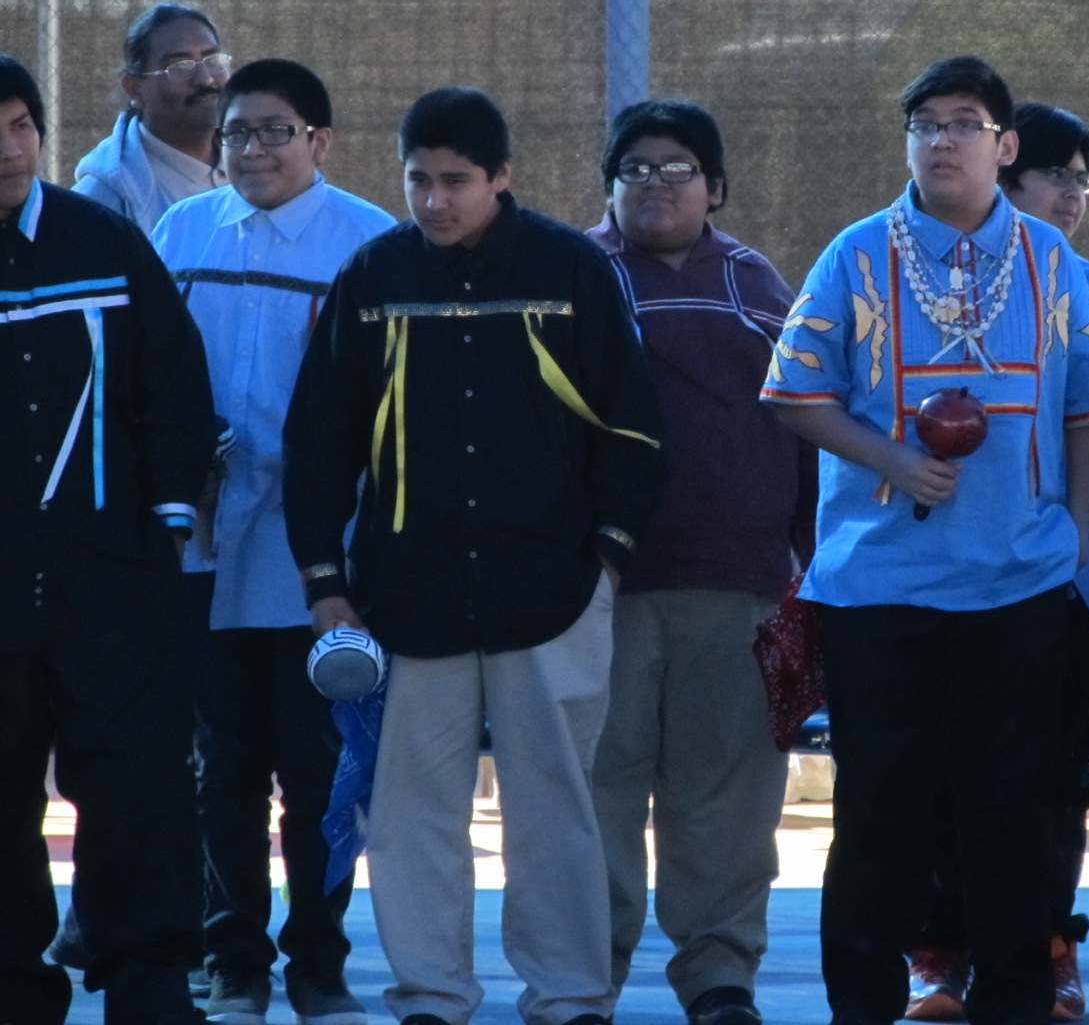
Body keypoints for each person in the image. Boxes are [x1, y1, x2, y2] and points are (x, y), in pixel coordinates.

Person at [282, 86, 665, 1025]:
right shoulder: (371, 278)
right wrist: (326, 587)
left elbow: (637, 431)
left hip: (556, 593)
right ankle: (430, 996)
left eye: (458, 181)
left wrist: (606, 562)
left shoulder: (572, 269)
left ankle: (571, 996)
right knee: (410, 816)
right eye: (419, 180)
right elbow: (317, 445)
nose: (436, 201)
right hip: (406, 599)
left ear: (504, 177)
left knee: (556, 810)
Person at [762, 56, 1089, 1025]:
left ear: (1004, 147)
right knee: (878, 810)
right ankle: (863, 1006)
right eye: (924, 123)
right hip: (880, 587)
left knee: (1008, 807)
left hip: (1016, 588)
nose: (941, 140)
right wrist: (890, 456)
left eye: (964, 123)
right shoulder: (854, 254)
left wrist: (1077, 526)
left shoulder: (1048, 259)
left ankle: (1011, 1000)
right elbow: (790, 391)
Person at [903, 102, 1089, 1023]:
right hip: (961, 581)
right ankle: (940, 956)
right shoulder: (927, 286)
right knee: (948, 772)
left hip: (1082, 592)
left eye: (1083, 179)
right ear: (1003, 179)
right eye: (1059, 175)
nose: (1075, 196)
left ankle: (1049, 952)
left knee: (1056, 778)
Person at [151, 59, 395, 1025]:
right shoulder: (183, 232)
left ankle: (319, 965)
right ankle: (235, 962)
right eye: (237, 132)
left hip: (322, 560)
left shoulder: (371, 241)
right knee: (222, 769)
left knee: (320, 767)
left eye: (274, 131)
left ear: (321, 142)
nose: (250, 149)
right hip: (207, 550)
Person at [585, 99, 816, 1025]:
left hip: (740, 586)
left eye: (677, 167)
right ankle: (580, 981)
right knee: (596, 792)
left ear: (715, 187)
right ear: (608, 186)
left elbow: (809, 424)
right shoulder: (573, 276)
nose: (654, 183)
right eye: (634, 167)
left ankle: (721, 979)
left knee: (726, 803)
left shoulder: (760, 285)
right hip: (598, 595)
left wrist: (796, 557)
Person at [0, 53, 214, 1025]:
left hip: (114, 585)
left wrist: (166, 530)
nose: (7, 149)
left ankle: (149, 982)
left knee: (137, 793)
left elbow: (173, 390)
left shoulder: (104, 244)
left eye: (19, 125)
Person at [74, 0, 230, 234]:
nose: (205, 79)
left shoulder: (260, 164)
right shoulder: (103, 202)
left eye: (213, 60)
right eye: (180, 67)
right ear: (135, 88)